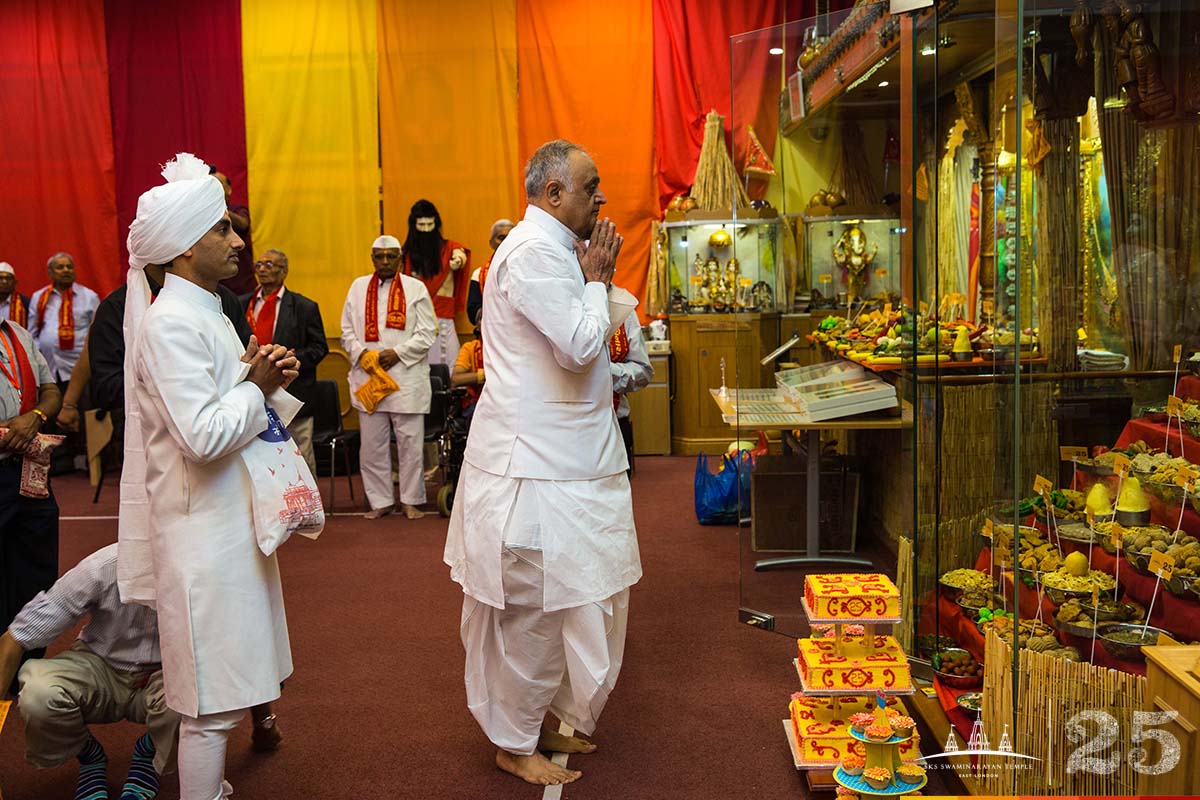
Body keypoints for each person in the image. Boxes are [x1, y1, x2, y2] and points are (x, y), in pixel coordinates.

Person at [443, 139, 641, 786]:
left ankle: (546, 719)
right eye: (591, 186)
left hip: (570, 462)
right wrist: (598, 281)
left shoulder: (557, 253)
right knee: (533, 612)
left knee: (574, 602)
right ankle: (512, 740)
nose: (602, 197)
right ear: (552, 194)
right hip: (533, 470)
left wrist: (590, 279)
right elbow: (582, 349)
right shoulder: (532, 255)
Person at [122, 152, 302, 800]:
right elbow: (202, 438)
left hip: (228, 526)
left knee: (223, 695)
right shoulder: (172, 323)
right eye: (223, 229)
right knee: (209, 707)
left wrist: (266, 379)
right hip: (204, 538)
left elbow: (233, 408)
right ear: (183, 246)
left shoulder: (210, 312)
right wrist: (255, 387)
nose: (238, 240)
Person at [0, 544, 179, 800]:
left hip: (167, 673)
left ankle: (149, 751)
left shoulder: (205, 569)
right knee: (39, 691)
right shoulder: (104, 565)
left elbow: (242, 646)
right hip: (100, 665)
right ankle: (89, 756)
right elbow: (17, 636)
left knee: (207, 694)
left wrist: (260, 719)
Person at [341, 235, 437, 520]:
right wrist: (361, 354)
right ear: (372, 258)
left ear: (400, 258)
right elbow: (346, 330)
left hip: (405, 377)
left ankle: (411, 500)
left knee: (410, 444)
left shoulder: (415, 287)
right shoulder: (358, 287)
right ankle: (381, 501)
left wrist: (398, 353)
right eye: (379, 257)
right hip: (368, 377)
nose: (384, 262)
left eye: (390, 256)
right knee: (372, 446)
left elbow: (427, 332)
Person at [0, 313, 62, 686]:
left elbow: (51, 390)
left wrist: (34, 418)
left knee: (36, 566)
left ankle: (25, 659)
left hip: (29, 467)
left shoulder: (16, 333)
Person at [240, 248, 328, 474]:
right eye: (259, 264)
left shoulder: (304, 307)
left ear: (284, 271)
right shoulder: (242, 304)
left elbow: (319, 348)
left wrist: (285, 362)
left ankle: (310, 508)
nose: (262, 269)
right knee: (260, 462)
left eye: (269, 265)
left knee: (301, 460)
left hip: (294, 391)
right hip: (250, 392)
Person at [402, 200, 470, 365]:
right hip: (414, 320)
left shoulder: (450, 249)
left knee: (446, 367)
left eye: (429, 224)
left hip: (442, 319)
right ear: (413, 225)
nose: (425, 229)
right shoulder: (406, 255)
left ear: (436, 223)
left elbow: (460, 255)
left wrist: (458, 261)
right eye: (421, 225)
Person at [28, 253, 100, 384]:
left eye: (69, 267)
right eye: (60, 267)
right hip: (49, 366)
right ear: (50, 273)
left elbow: (97, 334)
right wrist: (41, 352)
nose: (66, 270)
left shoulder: (90, 297)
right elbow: (32, 332)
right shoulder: (39, 297)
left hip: (79, 368)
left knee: (82, 404)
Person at [609, 313, 653, 474]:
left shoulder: (622, 309)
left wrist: (605, 369)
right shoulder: (557, 305)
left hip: (615, 422)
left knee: (616, 496)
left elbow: (643, 371)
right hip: (565, 428)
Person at [209, 165, 255, 295]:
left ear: (228, 189)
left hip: (241, 284)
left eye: (217, 184)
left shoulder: (238, 210)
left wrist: (219, 208)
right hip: (217, 284)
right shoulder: (206, 215)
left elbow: (243, 224)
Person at [466, 219, 513, 326]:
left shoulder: (526, 271)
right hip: (493, 331)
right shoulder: (479, 275)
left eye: (510, 237)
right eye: (501, 238)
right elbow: (472, 312)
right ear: (491, 243)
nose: (506, 242)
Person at [450, 322, 485, 419]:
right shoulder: (470, 348)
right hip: (475, 404)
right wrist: (485, 375)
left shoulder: (507, 350)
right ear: (478, 326)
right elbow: (455, 379)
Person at [0, 262, 29, 328]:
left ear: (15, 283)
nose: (4, 282)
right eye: (0, 278)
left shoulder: (25, 304)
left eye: (8, 278)